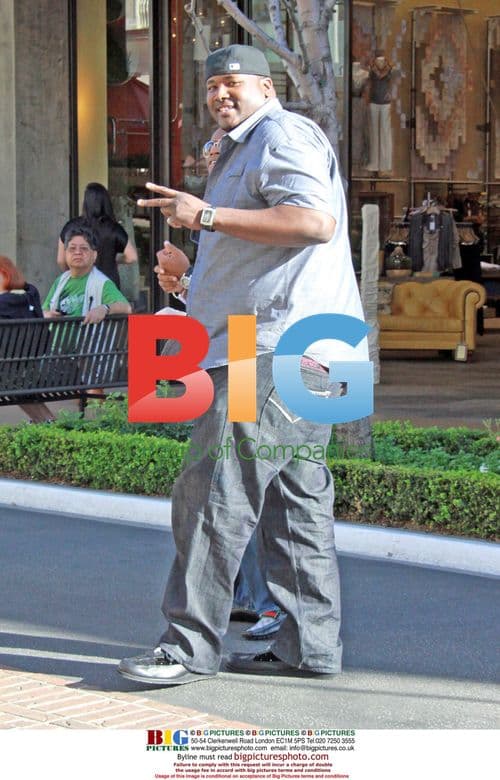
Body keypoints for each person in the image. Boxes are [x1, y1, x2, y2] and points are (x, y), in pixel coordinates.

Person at [118, 44, 368, 686]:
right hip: (315, 344)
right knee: (296, 499)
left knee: (213, 490)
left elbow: (313, 222)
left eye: (233, 83)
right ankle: (308, 646)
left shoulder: (282, 134)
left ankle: (187, 648)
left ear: (266, 85)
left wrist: (203, 214)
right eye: (211, 86)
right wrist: (190, 280)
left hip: (277, 349)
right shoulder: (239, 148)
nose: (219, 95)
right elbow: (263, 259)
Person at [0, 255, 54, 423]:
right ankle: (46, 422)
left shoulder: (3, 304)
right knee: (17, 383)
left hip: (10, 371)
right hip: (32, 367)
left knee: (13, 382)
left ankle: (47, 422)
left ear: (4, 274)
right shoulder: (30, 295)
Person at [57, 182, 137, 289]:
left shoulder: (71, 226)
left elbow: (61, 260)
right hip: (108, 284)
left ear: (85, 202)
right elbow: (132, 257)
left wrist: (72, 273)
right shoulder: (114, 228)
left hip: (81, 283)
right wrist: (116, 259)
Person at [44, 224, 131, 321]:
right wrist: (47, 314)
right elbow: (44, 310)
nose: (77, 252)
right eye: (72, 248)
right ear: (65, 254)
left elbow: (126, 307)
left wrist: (104, 309)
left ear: (94, 255)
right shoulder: (60, 281)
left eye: (84, 248)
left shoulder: (102, 283)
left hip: (87, 335)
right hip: (56, 336)